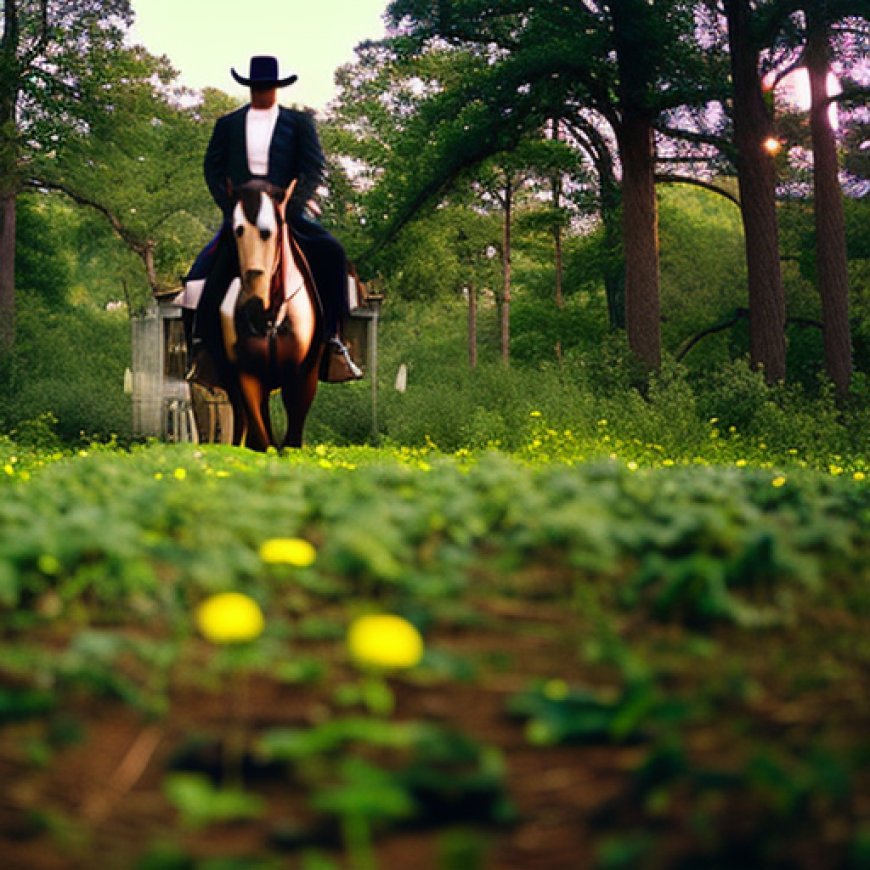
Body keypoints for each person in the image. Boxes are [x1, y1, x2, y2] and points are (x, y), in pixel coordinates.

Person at [183, 55, 358, 381]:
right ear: (250, 88)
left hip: (286, 212)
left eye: (267, 87)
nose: (262, 92)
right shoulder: (228, 124)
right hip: (242, 216)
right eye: (257, 87)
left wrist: (292, 207)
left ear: (276, 88)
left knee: (333, 254)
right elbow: (213, 169)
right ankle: (202, 349)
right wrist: (230, 207)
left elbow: (313, 168)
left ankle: (334, 341)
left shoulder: (299, 123)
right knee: (199, 275)